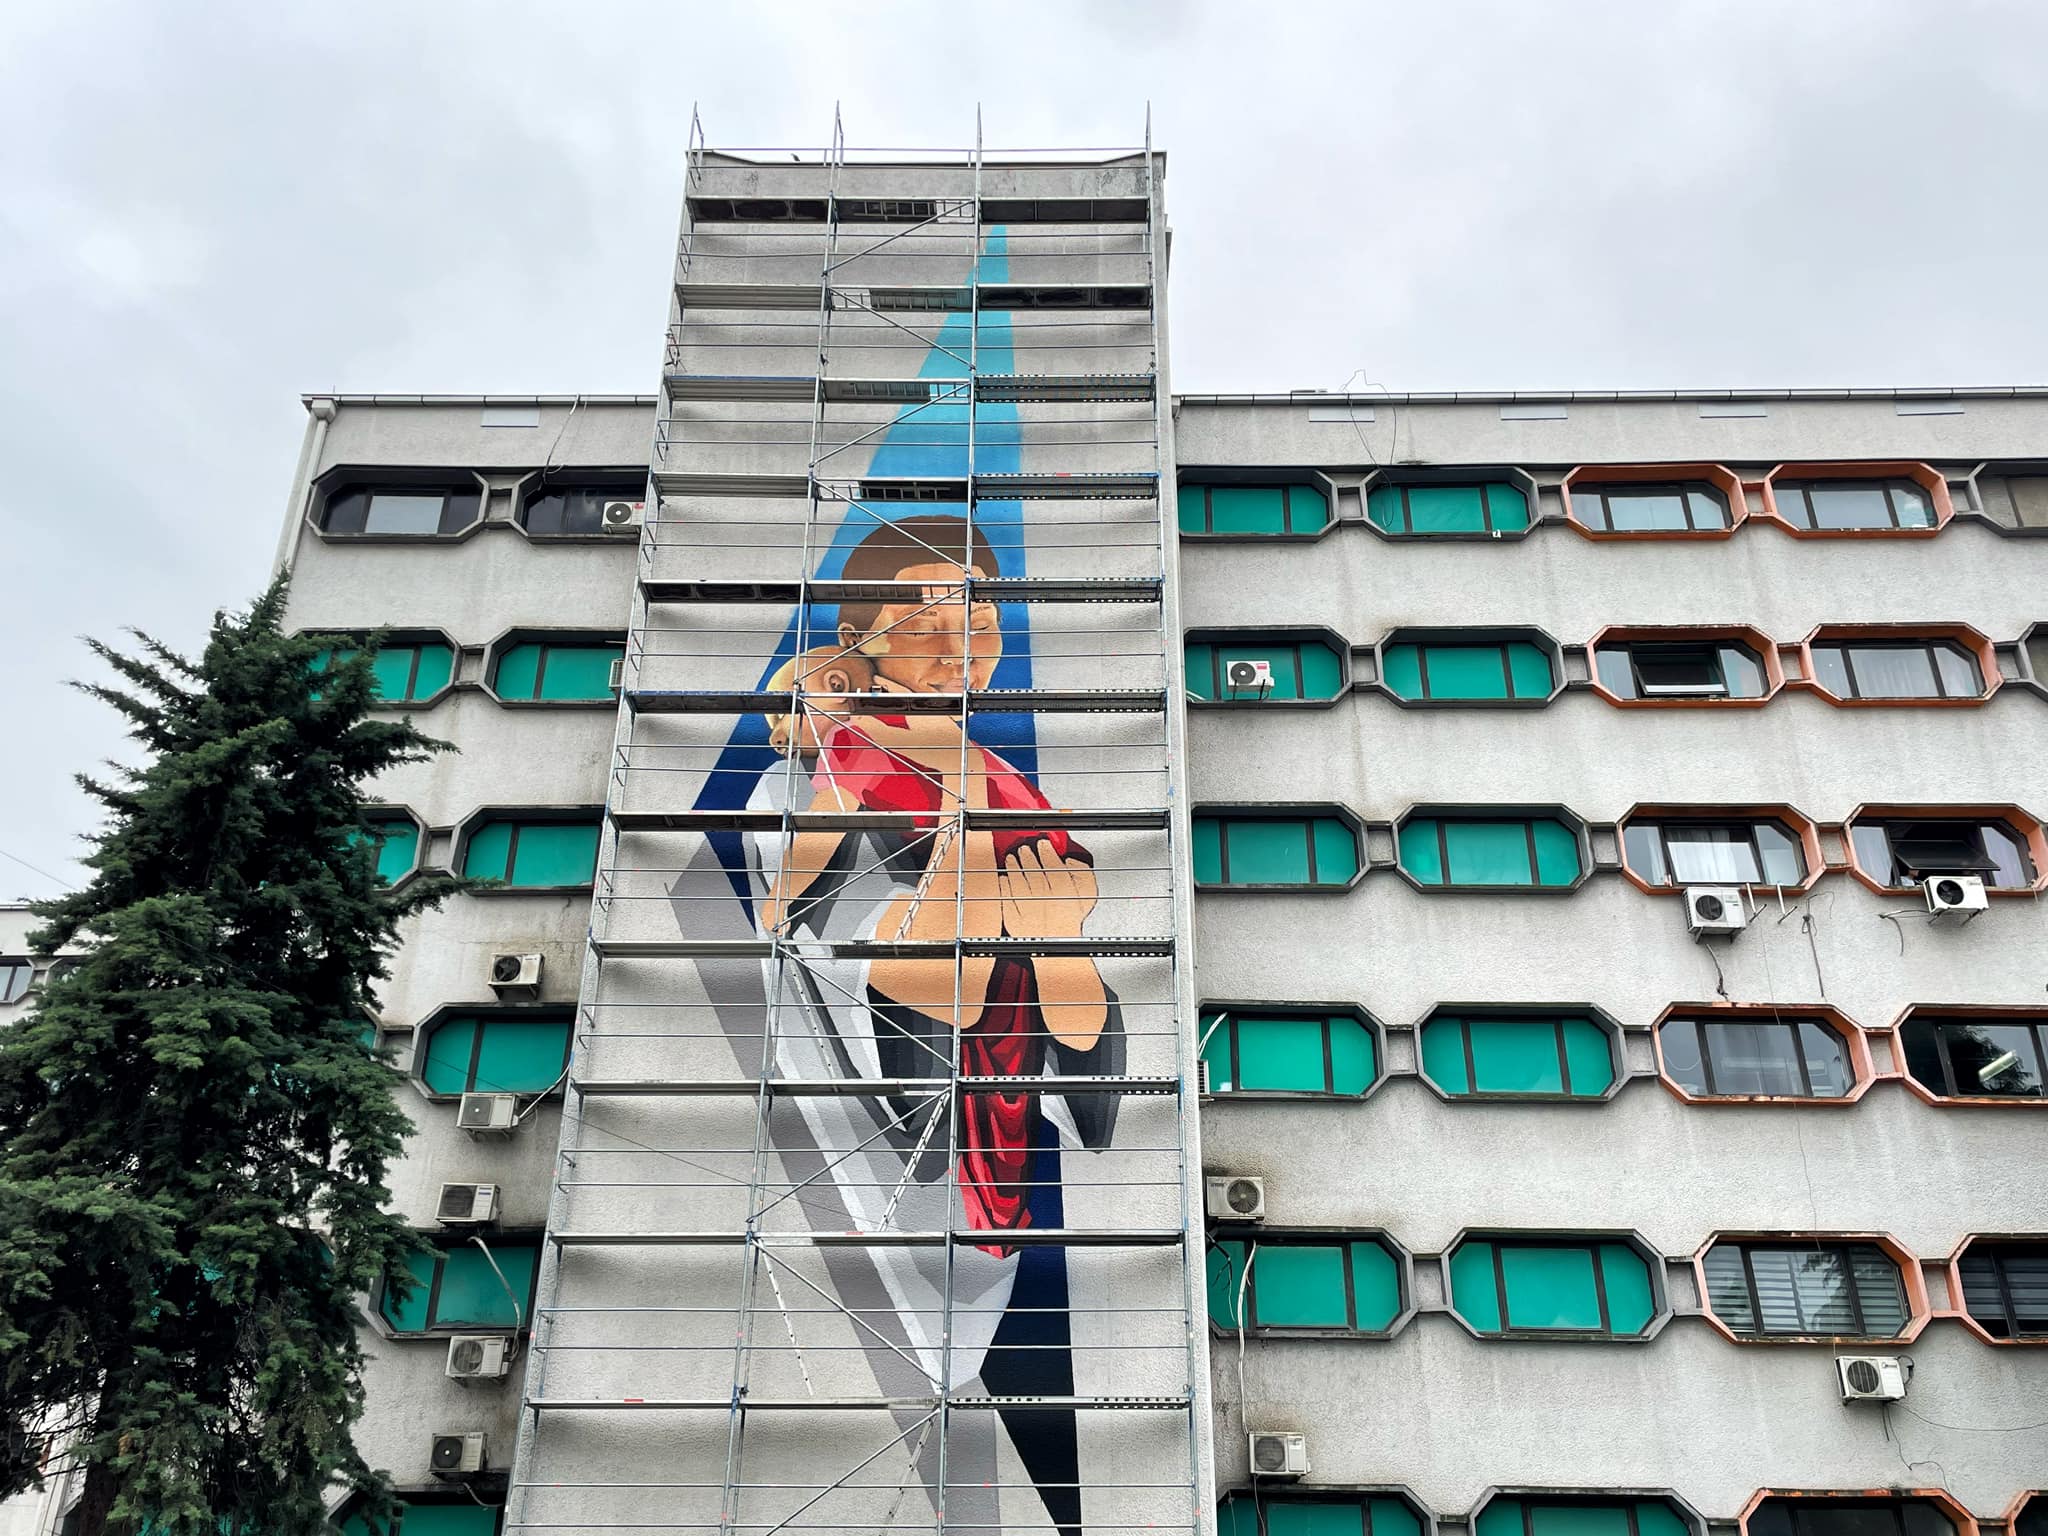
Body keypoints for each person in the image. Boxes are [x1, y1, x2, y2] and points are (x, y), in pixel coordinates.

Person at [741, 515, 1121, 1536]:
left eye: (975, 614)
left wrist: (1052, 939)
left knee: (1020, 1006)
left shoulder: (986, 765)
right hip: (926, 1087)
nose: (959, 636)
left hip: (1000, 1046)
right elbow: (885, 954)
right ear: (853, 643)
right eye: (922, 614)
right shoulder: (835, 764)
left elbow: (1087, 1060)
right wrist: (788, 899)